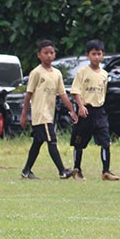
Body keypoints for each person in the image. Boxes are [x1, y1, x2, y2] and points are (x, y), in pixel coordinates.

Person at [19, 39, 78, 180]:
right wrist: (24, 114)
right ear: (39, 55)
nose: (49, 55)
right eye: (46, 53)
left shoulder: (57, 73)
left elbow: (62, 94)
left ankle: (26, 171)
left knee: (37, 143)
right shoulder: (36, 73)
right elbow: (29, 94)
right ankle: (62, 171)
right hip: (41, 113)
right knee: (52, 140)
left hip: (49, 113)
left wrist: (72, 110)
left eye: (52, 52)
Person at [70, 39, 118, 181]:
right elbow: (75, 91)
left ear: (103, 55)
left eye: (99, 54)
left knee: (105, 141)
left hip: (99, 112)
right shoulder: (82, 72)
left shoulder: (104, 74)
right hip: (86, 111)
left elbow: (103, 93)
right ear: (87, 55)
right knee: (79, 142)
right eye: (93, 54)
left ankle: (106, 171)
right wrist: (81, 106)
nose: (96, 57)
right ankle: (77, 170)